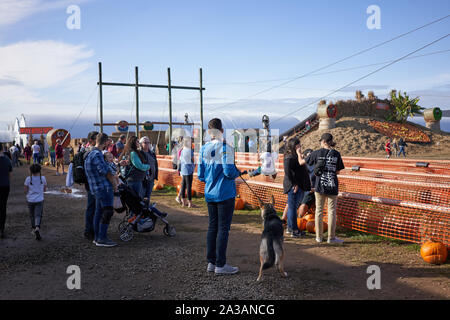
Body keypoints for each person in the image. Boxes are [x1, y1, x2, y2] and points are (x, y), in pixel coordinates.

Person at [198, 118, 245, 275]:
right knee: (223, 229)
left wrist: (211, 180)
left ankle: (211, 262)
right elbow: (229, 172)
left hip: (210, 193)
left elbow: (200, 175)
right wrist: (238, 172)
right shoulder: (226, 148)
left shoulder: (203, 148)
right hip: (225, 193)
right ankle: (220, 264)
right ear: (222, 131)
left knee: (213, 227)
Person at [300, 133, 345, 244]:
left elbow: (302, 162)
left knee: (319, 211)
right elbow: (338, 171)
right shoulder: (336, 154)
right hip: (332, 186)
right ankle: (331, 237)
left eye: (321, 141)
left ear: (324, 141)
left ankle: (318, 237)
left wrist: (298, 152)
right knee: (331, 212)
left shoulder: (317, 153)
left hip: (319, 186)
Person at [84, 133, 118, 247]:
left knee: (98, 212)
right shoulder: (97, 154)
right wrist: (114, 184)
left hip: (95, 188)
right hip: (104, 188)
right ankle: (102, 238)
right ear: (105, 142)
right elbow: (105, 171)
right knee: (107, 211)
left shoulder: (88, 154)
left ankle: (97, 237)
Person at [283, 138, 311, 238]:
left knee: (293, 207)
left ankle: (291, 228)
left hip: (299, 185)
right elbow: (288, 172)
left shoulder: (294, 156)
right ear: (293, 146)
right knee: (292, 208)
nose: (300, 147)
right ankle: (293, 229)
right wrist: (294, 184)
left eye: (300, 145)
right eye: (298, 145)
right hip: (293, 186)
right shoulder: (289, 157)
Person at [81, 131, 98, 240]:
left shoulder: (86, 151)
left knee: (92, 207)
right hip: (92, 183)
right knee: (92, 208)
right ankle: (90, 231)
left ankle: (91, 230)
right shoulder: (90, 152)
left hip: (90, 183)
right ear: (91, 140)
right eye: (97, 139)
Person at [24, 164, 47, 240]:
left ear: (31, 171)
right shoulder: (43, 178)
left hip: (30, 200)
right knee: (38, 215)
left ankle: (33, 229)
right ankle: (37, 227)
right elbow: (44, 189)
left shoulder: (28, 179)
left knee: (32, 215)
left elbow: (25, 190)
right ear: (39, 171)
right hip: (39, 199)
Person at [140, 136, 158, 207]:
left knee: (148, 195)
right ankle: (142, 211)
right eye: (145, 142)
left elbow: (155, 164)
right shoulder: (140, 153)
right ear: (141, 144)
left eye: (148, 142)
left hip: (151, 178)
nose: (147, 144)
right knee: (142, 195)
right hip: (143, 178)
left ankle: (146, 210)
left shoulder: (152, 153)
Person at [0, 143, 12, 239]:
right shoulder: (7, 160)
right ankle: (2, 229)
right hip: (5, 186)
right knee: (3, 207)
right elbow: (10, 174)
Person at [179, 137, 196, 208]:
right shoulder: (190, 150)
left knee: (183, 186)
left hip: (183, 169)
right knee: (189, 187)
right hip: (189, 170)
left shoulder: (182, 150)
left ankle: (183, 202)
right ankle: (190, 203)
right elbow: (193, 160)